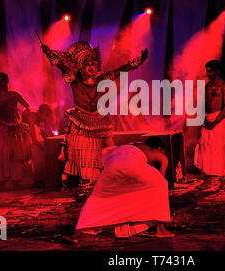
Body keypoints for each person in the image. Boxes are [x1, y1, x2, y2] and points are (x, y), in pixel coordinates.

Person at [41, 40, 148, 192]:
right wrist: (49, 53)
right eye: (87, 64)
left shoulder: (102, 79)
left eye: (93, 63)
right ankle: (80, 181)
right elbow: (62, 66)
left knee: (107, 152)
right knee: (81, 155)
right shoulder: (75, 80)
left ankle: (113, 179)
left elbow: (119, 71)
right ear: (81, 66)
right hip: (81, 121)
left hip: (99, 120)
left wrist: (137, 62)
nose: (91, 67)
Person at [67, 136, 175, 243]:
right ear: (159, 148)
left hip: (112, 163)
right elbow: (160, 177)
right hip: (131, 163)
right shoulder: (157, 153)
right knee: (161, 185)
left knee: (98, 196)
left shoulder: (133, 146)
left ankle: (78, 233)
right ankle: (161, 230)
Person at [0, 72, 31, 189]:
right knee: (3, 154)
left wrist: (24, 116)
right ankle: (3, 179)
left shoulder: (14, 95)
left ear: (7, 82)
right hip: (4, 128)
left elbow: (28, 106)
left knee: (17, 152)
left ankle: (17, 178)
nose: (0, 84)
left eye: (2, 81)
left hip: (16, 127)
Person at [195, 60, 225, 190]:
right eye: (207, 70)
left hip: (219, 119)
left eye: (210, 71)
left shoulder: (224, 85)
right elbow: (204, 104)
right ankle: (208, 177)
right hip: (208, 118)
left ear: (217, 71)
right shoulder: (208, 85)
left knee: (219, 147)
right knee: (205, 146)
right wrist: (205, 119)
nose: (208, 73)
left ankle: (221, 178)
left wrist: (215, 122)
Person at [22, 103, 54, 187]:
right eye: (45, 115)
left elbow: (47, 134)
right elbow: (33, 137)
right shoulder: (32, 116)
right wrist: (39, 147)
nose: (46, 117)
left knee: (42, 156)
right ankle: (36, 179)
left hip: (34, 133)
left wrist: (47, 145)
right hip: (24, 132)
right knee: (36, 155)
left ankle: (42, 178)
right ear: (41, 113)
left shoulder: (45, 116)